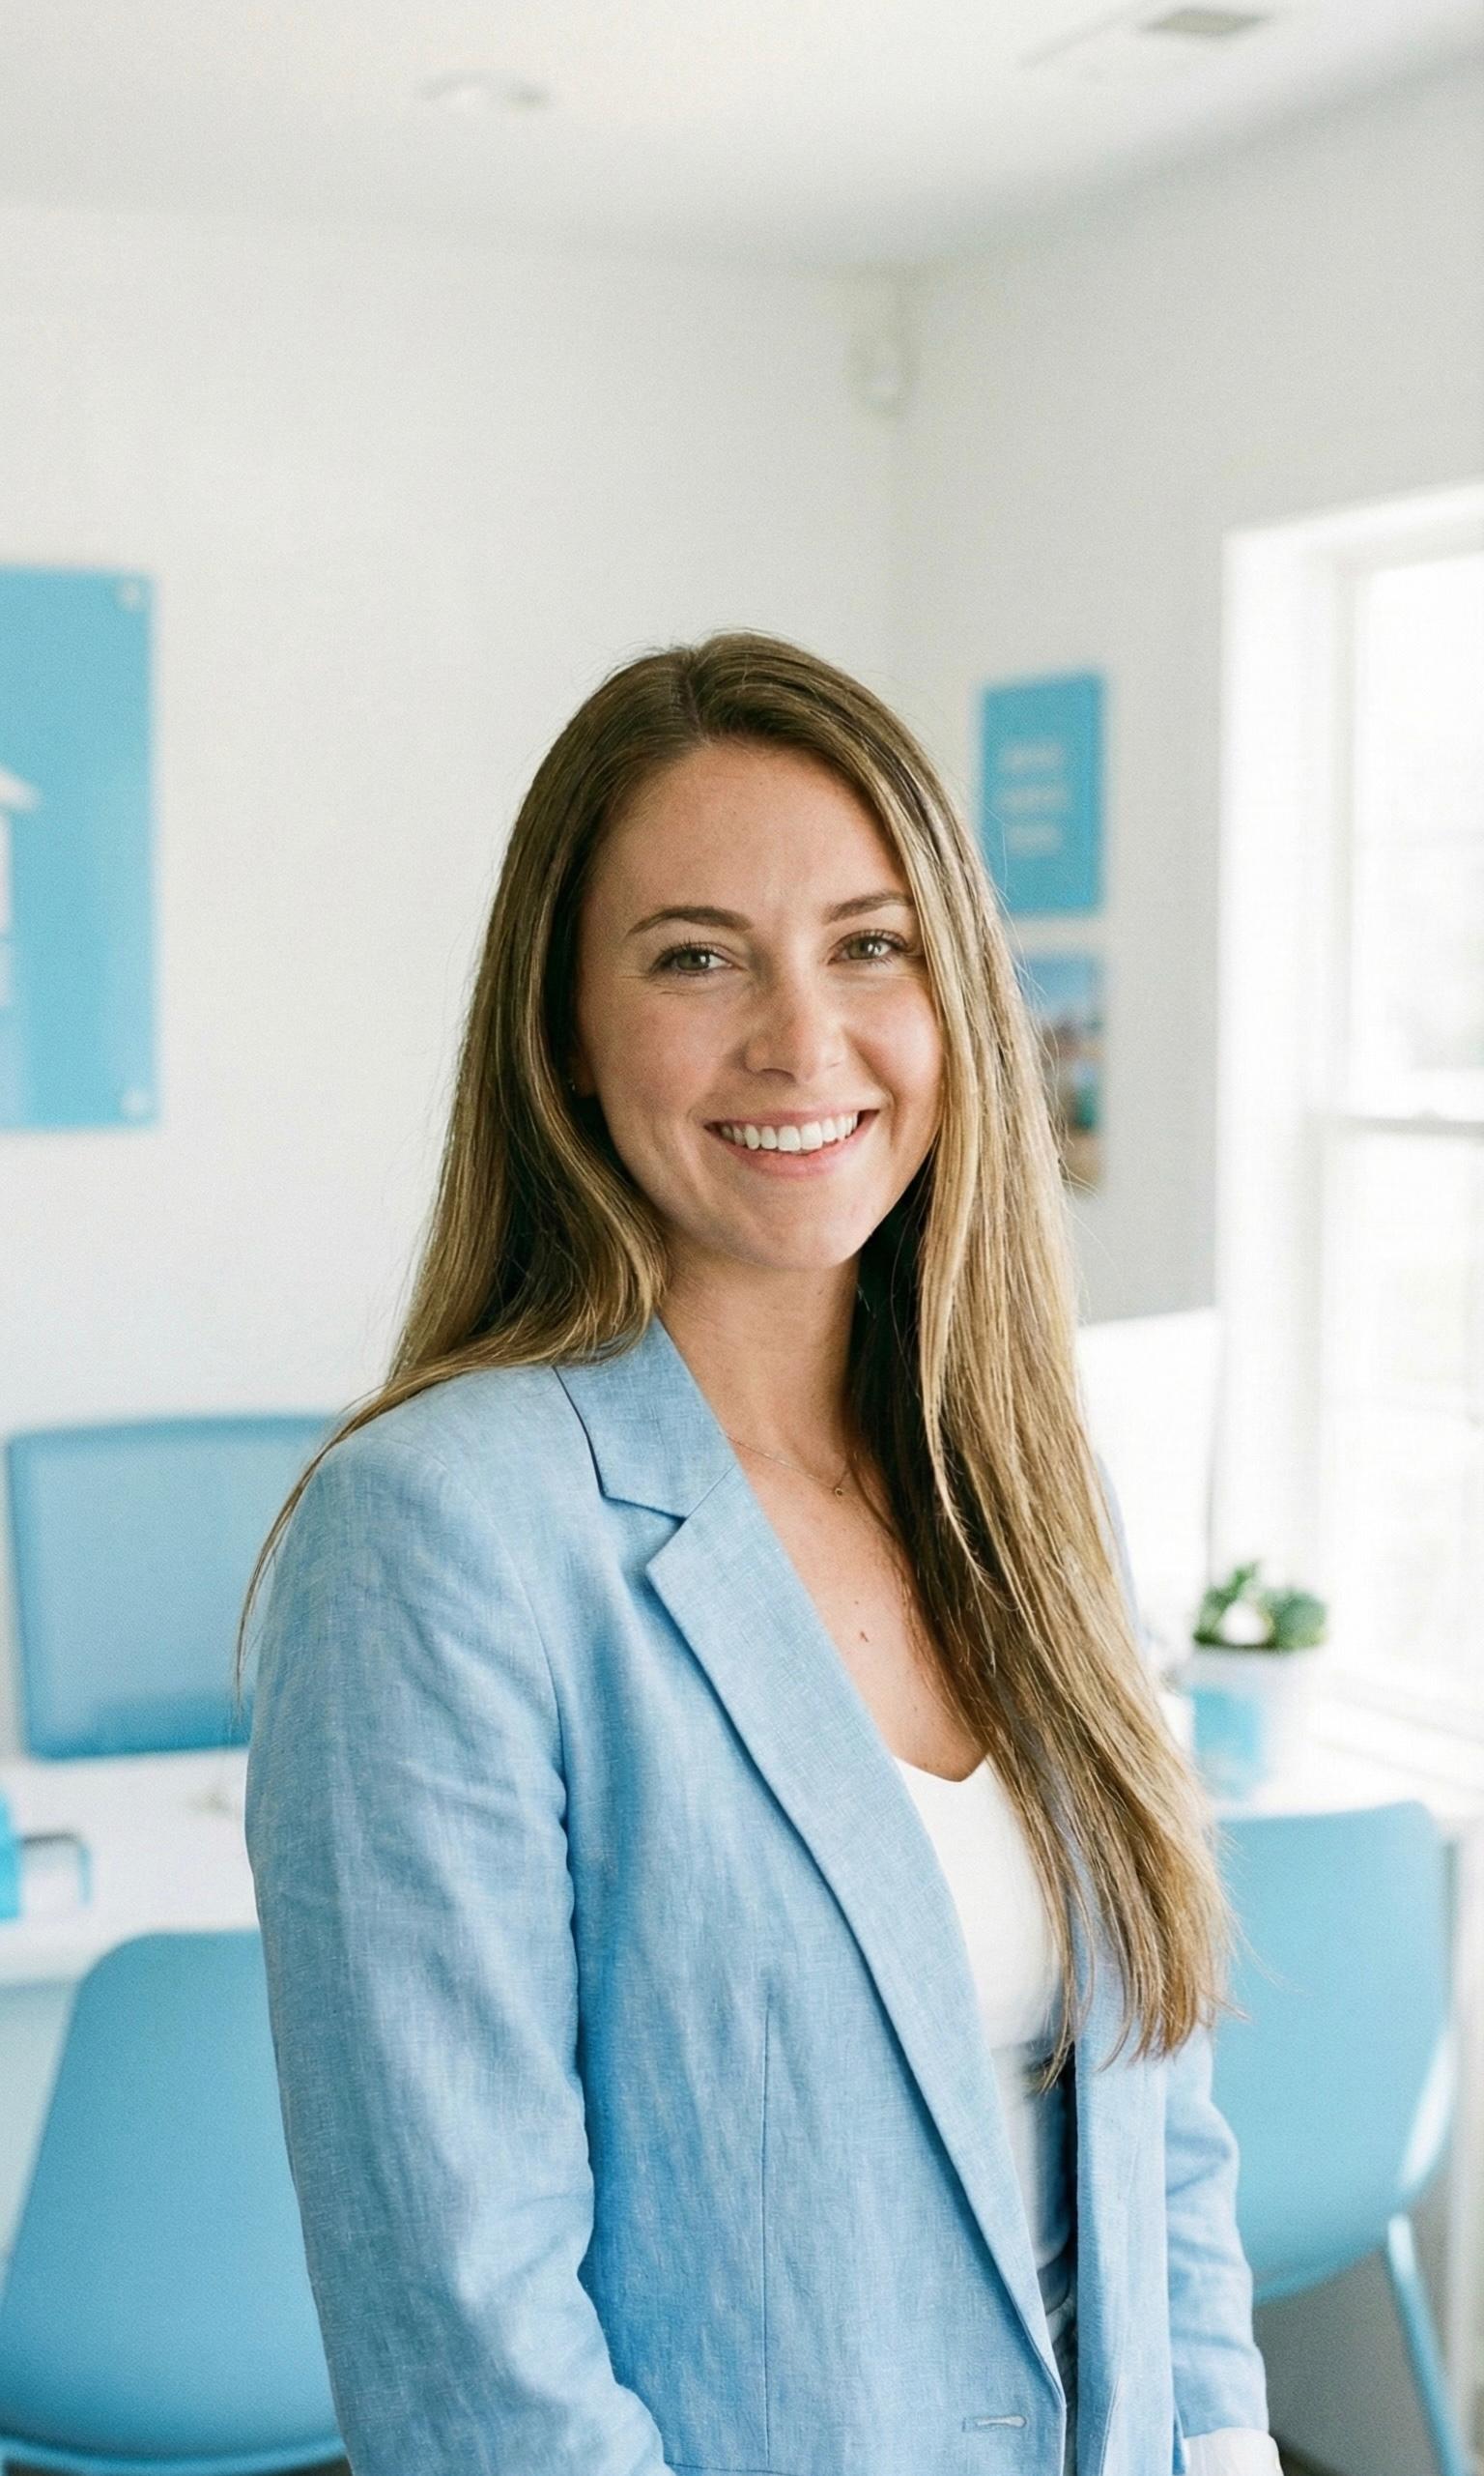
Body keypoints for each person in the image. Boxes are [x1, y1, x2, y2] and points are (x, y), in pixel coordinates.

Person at [241, 630, 1282, 2476]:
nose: (803, 1040)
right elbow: (477, 2351)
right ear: (565, 1030)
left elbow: (1163, 2147)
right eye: (697, 955)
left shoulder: (1037, 1490)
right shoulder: (437, 1536)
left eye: (870, 945)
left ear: (957, 995)